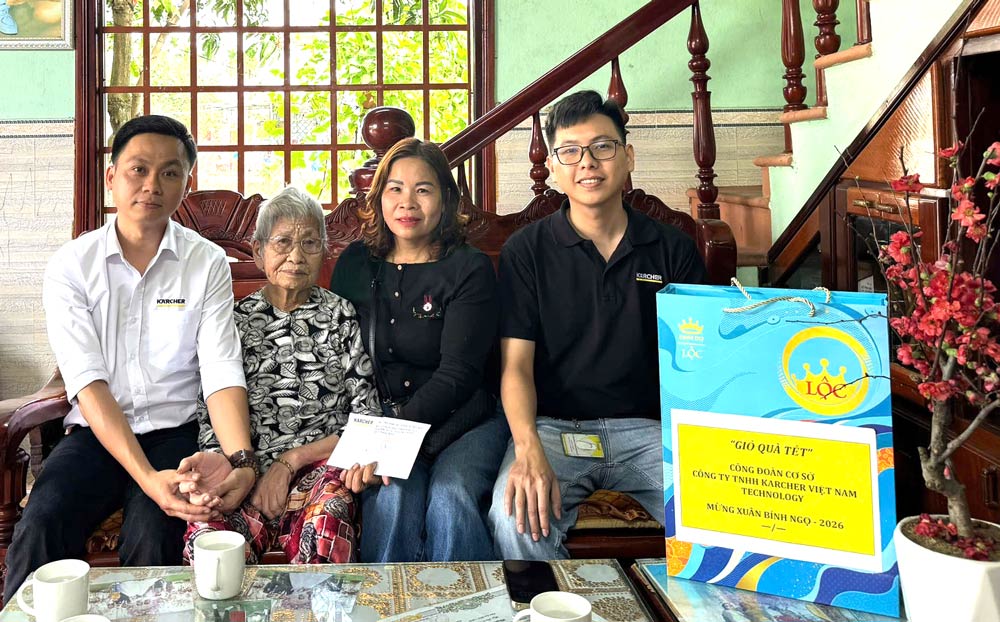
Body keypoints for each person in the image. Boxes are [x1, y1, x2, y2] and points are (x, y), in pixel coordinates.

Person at [4, 115, 255, 602]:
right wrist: (146, 479)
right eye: (138, 169)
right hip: (95, 435)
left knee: (155, 530)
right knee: (43, 520)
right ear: (112, 176)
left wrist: (240, 458)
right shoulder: (71, 267)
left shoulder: (205, 263)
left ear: (186, 181)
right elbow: (87, 382)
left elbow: (221, 370)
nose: (152, 185)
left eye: (169, 172)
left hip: (174, 436)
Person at [487, 90, 707, 560]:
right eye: (570, 151)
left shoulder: (674, 249)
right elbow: (516, 367)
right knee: (514, 519)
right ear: (553, 167)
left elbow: (698, 362)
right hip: (554, 429)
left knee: (728, 508)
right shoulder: (527, 252)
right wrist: (526, 449)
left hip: (652, 432)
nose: (587, 163)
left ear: (627, 156)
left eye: (602, 147)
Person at [329, 137, 510, 562]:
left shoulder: (470, 268)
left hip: (466, 419)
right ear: (378, 198)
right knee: (392, 498)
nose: (407, 202)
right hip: (382, 419)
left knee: (452, 496)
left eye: (423, 190)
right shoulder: (356, 262)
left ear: (446, 199)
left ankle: (466, 610)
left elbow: (459, 377)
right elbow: (338, 351)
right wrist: (368, 437)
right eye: (395, 188)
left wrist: (387, 440)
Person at [178, 186, 380, 564]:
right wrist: (242, 468)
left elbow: (365, 419)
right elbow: (210, 413)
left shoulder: (341, 315)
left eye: (310, 243)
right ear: (258, 251)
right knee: (210, 545)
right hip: (244, 470)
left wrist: (292, 461)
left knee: (327, 523)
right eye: (283, 242)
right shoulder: (233, 321)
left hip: (320, 470)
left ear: (325, 251)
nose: (296, 256)